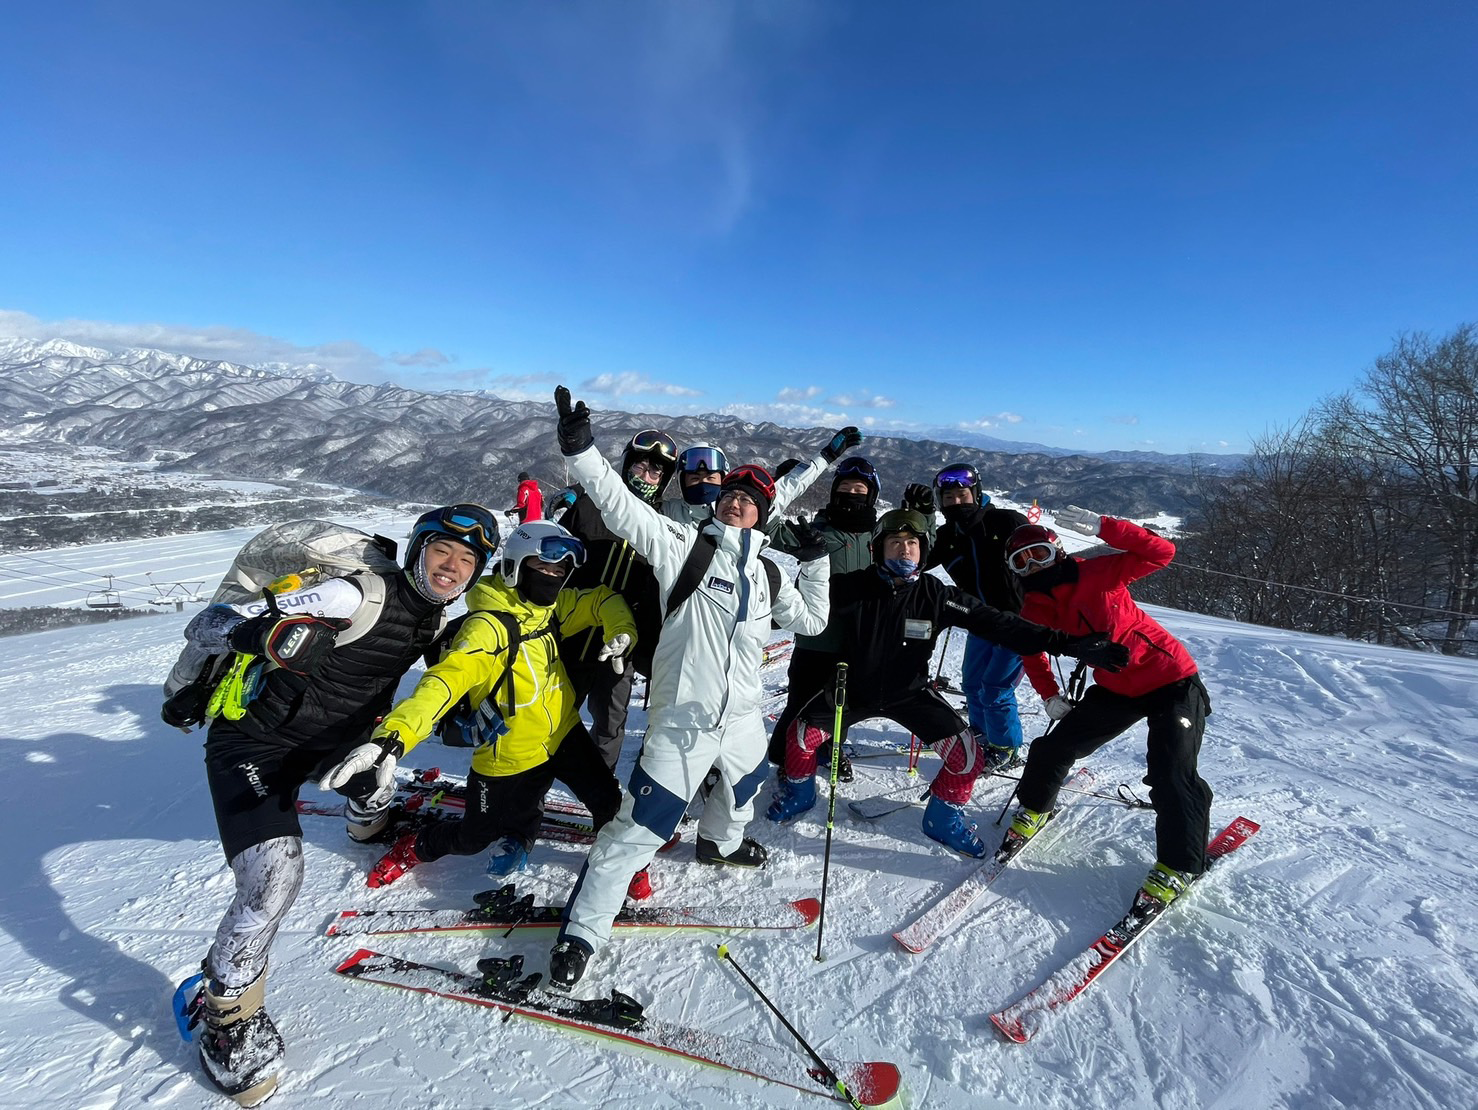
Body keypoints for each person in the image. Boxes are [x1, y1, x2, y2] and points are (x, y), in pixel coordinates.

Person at [174, 504, 498, 1107]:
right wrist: (263, 636)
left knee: (375, 787)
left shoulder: (433, 619)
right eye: (441, 553)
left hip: (336, 745)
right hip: (256, 745)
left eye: (466, 560)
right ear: (418, 550)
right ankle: (226, 1017)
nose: (451, 568)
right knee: (274, 877)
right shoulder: (357, 595)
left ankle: (367, 817)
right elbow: (207, 625)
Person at [544, 386, 831, 989]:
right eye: (729, 495)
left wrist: (817, 561)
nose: (734, 504)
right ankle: (583, 931)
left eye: (748, 501)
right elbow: (622, 508)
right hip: (682, 724)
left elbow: (813, 622)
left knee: (746, 787)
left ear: (763, 512)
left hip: (745, 720)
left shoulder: (770, 572)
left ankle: (720, 845)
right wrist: (581, 452)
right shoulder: (684, 549)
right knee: (637, 831)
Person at [766, 509, 1128, 856]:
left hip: (909, 695)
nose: (904, 550)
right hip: (853, 691)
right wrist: (809, 562)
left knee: (967, 758)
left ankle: (942, 817)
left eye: (912, 544)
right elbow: (795, 608)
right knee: (798, 739)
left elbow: (1000, 623)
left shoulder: (936, 594)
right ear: (878, 549)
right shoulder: (851, 586)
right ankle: (800, 794)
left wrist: (1065, 643)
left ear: (923, 551)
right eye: (895, 543)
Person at [355, 520, 636, 888]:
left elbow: (601, 599)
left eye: (560, 570)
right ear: (516, 566)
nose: (552, 577)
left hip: (563, 734)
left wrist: (621, 630)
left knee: (609, 804)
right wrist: (395, 735)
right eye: (543, 566)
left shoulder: (548, 609)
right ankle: (418, 846)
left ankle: (618, 861)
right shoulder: (488, 628)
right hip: (508, 753)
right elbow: (445, 681)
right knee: (475, 836)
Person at [1001, 507, 1214, 905]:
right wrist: (1049, 695)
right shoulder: (1035, 607)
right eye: (1022, 561)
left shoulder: (1098, 573)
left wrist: (1106, 527)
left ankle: (1179, 864)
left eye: (1040, 554)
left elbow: (1162, 553)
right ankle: (1034, 808)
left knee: (1171, 774)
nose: (1033, 565)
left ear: (1057, 550)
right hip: (1117, 687)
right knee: (1055, 747)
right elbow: (1032, 651)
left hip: (1171, 679)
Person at [560, 430, 680, 772]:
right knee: (551, 712)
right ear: (627, 463)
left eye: (655, 472)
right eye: (641, 465)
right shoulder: (589, 501)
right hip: (570, 631)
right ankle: (534, 780)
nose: (645, 475)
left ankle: (599, 786)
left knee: (610, 720)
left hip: (621, 641)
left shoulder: (662, 525)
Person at [765, 455, 886, 775]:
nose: (851, 494)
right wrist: (779, 489)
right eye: (844, 487)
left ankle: (829, 751)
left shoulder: (879, 536)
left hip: (860, 640)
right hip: (816, 640)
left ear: (871, 496)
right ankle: (783, 754)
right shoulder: (818, 531)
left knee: (841, 706)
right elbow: (768, 524)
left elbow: (913, 556)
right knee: (803, 702)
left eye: (859, 489)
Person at [923, 462, 1031, 771]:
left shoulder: (1007, 522)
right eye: (948, 498)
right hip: (981, 622)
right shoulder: (947, 536)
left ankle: (1006, 748)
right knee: (972, 684)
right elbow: (916, 559)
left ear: (976, 493)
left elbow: (1043, 563)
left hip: (1019, 623)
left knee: (995, 688)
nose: (956, 502)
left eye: (962, 495)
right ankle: (983, 733)